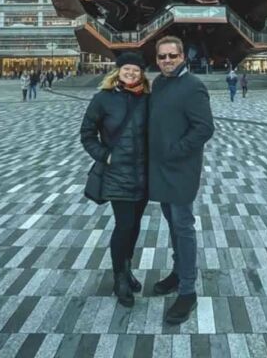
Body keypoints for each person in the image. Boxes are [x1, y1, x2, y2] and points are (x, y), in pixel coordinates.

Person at [148, 36, 214, 325]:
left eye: (172, 56)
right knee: (173, 224)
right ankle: (178, 274)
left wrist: (176, 151)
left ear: (183, 57)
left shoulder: (194, 86)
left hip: (181, 170)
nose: (167, 61)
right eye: (162, 57)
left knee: (183, 226)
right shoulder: (159, 84)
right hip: (160, 169)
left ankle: (187, 291)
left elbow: (204, 129)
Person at [80, 52, 149, 308]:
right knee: (124, 225)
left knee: (135, 226)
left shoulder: (148, 99)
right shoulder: (103, 99)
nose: (131, 73)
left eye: (136, 70)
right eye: (127, 69)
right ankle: (119, 277)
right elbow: (87, 134)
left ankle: (127, 268)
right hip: (117, 174)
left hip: (143, 175)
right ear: (118, 71)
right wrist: (105, 156)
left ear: (142, 74)